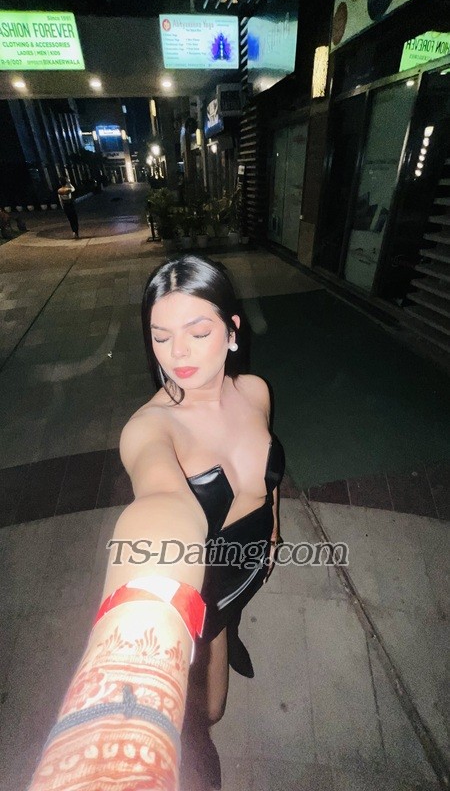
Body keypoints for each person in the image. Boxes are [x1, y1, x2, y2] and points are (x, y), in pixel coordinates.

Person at [27, 254, 284, 791]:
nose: (177, 353)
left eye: (198, 332)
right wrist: (126, 673)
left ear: (232, 331)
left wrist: (274, 529)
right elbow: (162, 509)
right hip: (203, 587)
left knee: (235, 618)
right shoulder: (149, 429)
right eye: (160, 337)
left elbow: (271, 473)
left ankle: (234, 628)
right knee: (208, 712)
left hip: (253, 558)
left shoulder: (256, 391)